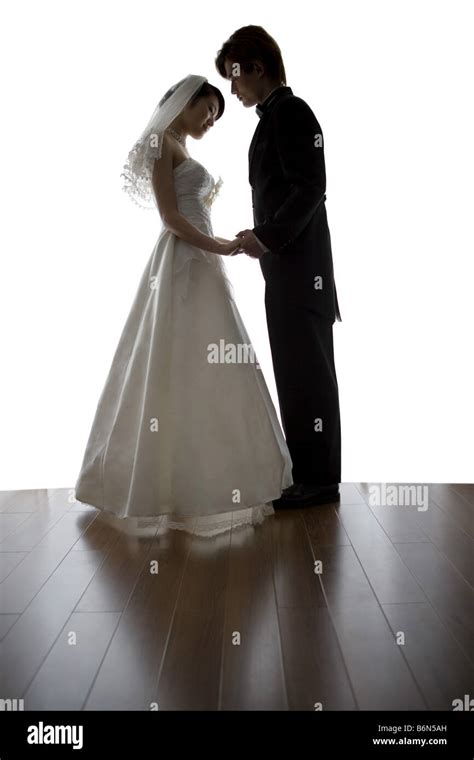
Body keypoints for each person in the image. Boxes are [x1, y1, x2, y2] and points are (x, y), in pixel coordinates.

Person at [74, 74, 293, 536]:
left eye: (216, 113)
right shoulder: (160, 142)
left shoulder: (182, 147)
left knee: (210, 362)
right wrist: (216, 246)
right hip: (183, 259)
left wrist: (217, 246)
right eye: (208, 109)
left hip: (202, 258)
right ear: (185, 101)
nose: (212, 119)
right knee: (169, 363)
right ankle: (161, 491)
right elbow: (171, 218)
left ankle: (205, 487)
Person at [215, 27, 342, 508]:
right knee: (296, 374)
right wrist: (260, 237)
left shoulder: (293, 113)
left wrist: (264, 237)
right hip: (287, 272)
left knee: (309, 376)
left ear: (256, 66)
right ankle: (309, 476)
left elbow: (311, 189)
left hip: (301, 272)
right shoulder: (276, 117)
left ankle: (320, 482)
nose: (232, 88)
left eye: (234, 76)